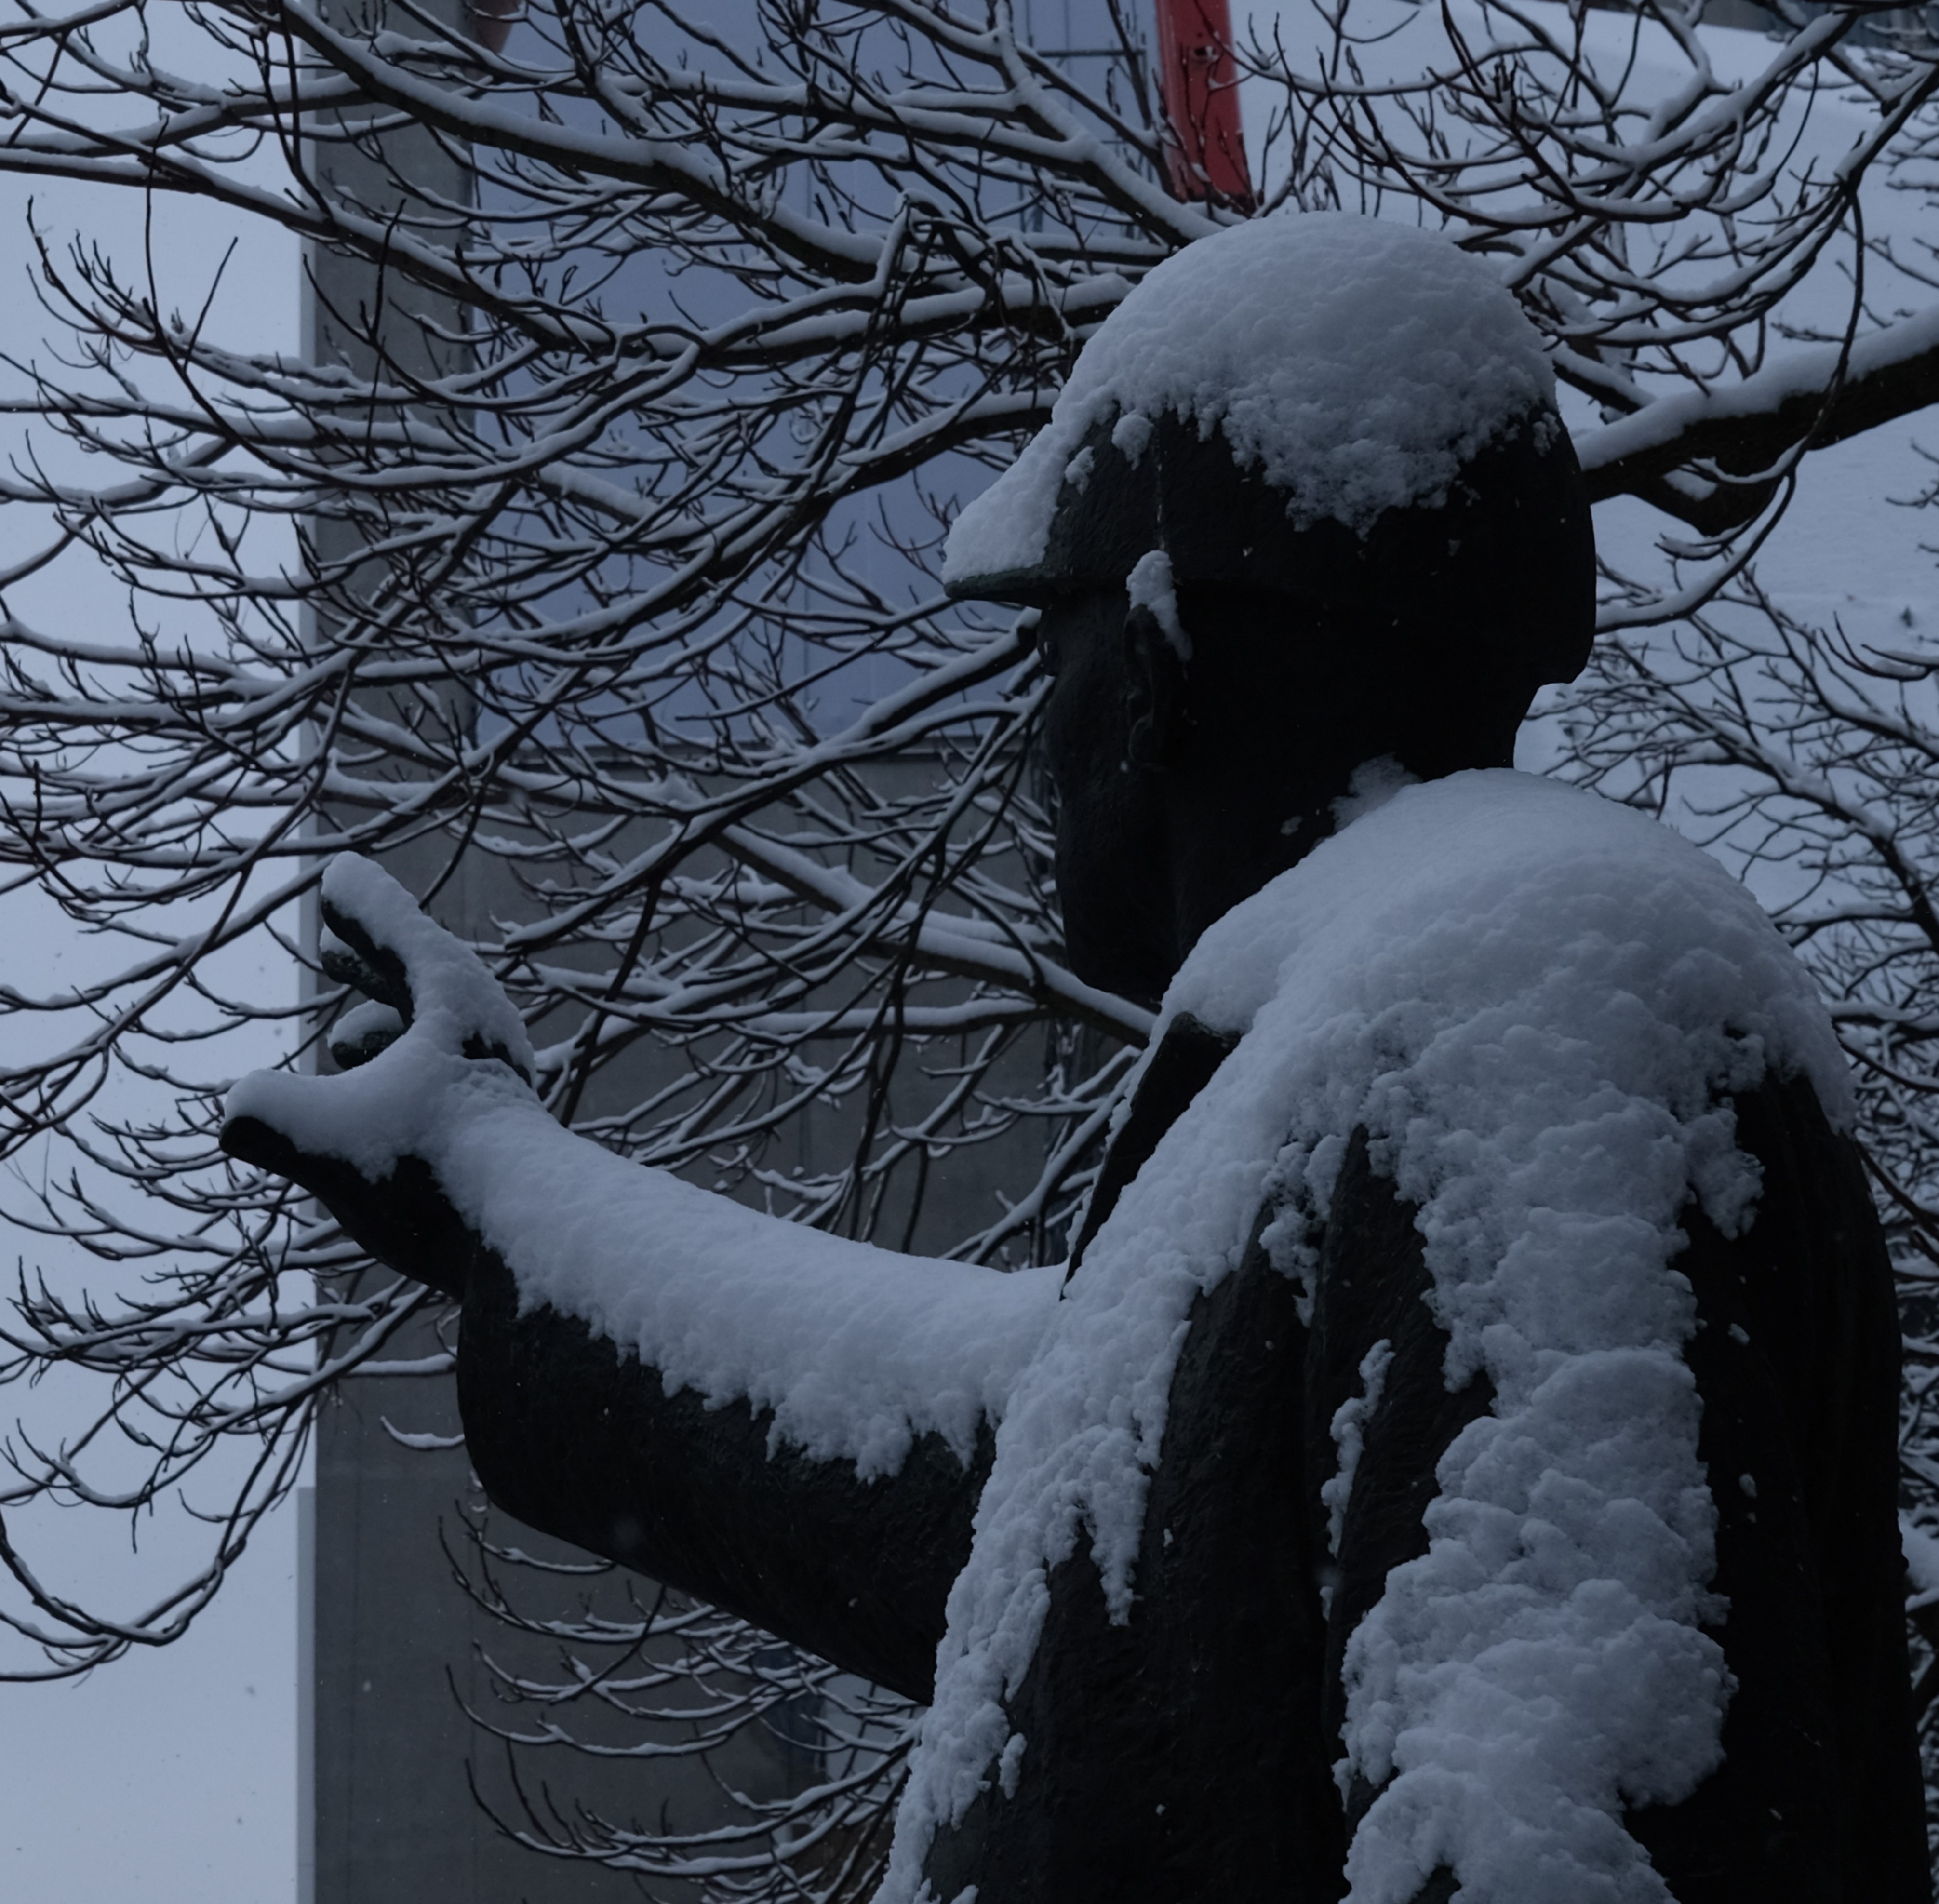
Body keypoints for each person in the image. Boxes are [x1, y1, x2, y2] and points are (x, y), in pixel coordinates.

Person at [225, 215, 1927, 1903]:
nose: (1038, 734)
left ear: (1159, 659)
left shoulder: (1518, 1006)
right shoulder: (1330, 1076)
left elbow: (1563, 1843)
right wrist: (489, 1180)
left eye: (1054, 649)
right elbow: (992, 1497)